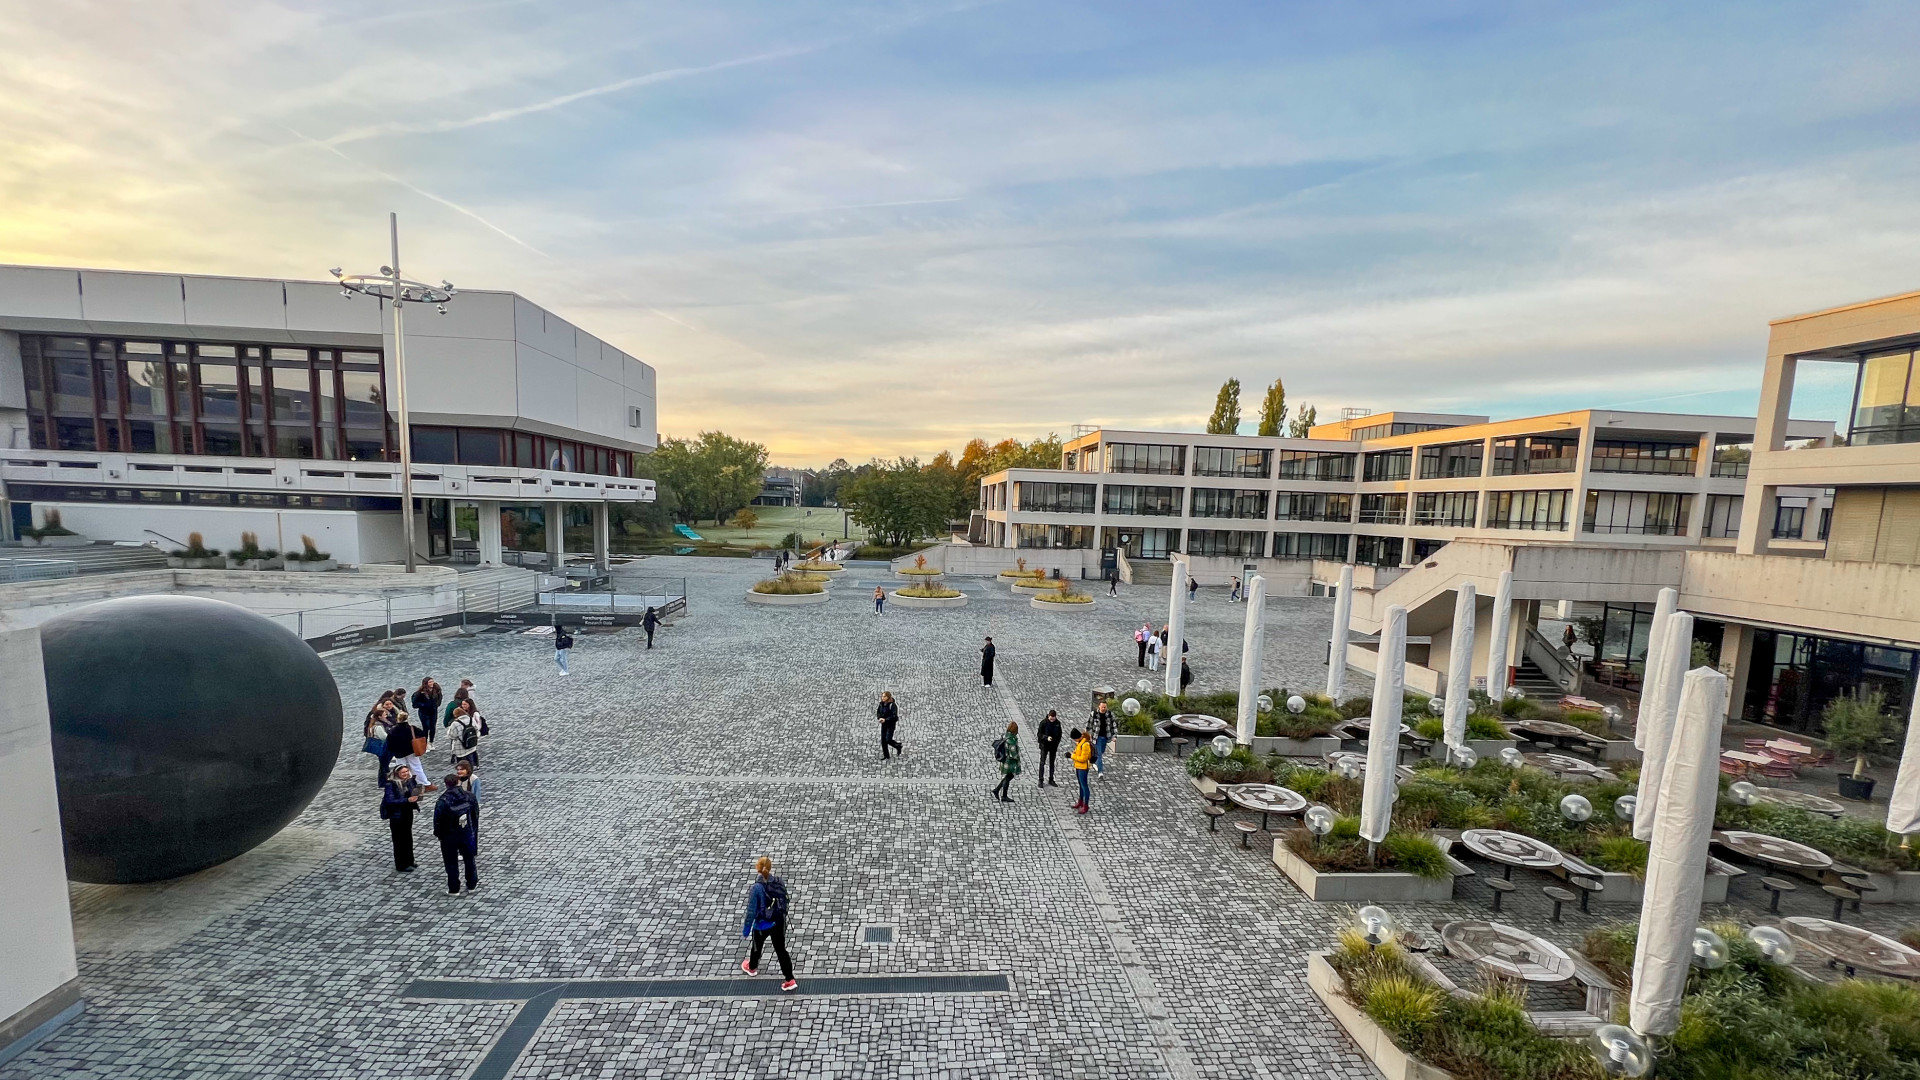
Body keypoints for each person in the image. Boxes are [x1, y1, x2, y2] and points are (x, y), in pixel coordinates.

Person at [740, 856, 797, 991]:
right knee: (781, 950)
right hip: (778, 921)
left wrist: (746, 930)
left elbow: (751, 910)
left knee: (756, 946)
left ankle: (752, 967)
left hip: (762, 924)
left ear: (757, 869)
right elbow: (786, 899)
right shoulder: (779, 881)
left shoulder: (756, 888)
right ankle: (790, 979)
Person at [432, 774, 479, 895]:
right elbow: (475, 815)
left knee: (451, 862)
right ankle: (472, 884)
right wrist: (472, 829)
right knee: (469, 859)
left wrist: (439, 835)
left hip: (449, 836)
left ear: (446, 784)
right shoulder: (469, 796)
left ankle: (454, 888)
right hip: (466, 832)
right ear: (458, 782)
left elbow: (437, 820)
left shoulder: (443, 800)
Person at [383, 700, 433, 792]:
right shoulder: (412, 728)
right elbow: (423, 735)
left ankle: (402, 785)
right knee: (417, 767)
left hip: (399, 753)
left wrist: (393, 751)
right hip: (412, 751)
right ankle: (424, 783)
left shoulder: (393, 730)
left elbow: (389, 743)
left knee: (400, 769)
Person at [380, 763, 422, 872]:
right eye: (403, 772)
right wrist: (407, 800)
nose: (405, 774)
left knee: (408, 838)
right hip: (396, 815)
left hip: (407, 813)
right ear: (397, 773)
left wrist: (416, 793)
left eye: (407, 772)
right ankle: (401, 864)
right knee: (399, 840)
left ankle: (410, 861)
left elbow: (414, 792)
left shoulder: (409, 781)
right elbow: (390, 801)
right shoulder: (391, 785)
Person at [447, 700, 483, 772]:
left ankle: (464, 772)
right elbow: (476, 729)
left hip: (460, 746)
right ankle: (471, 769)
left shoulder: (455, 723)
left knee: (461, 761)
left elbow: (451, 735)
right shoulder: (470, 719)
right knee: (470, 757)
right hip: (471, 744)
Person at [991, 721, 1021, 802]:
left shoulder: (1006, 736)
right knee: (1009, 777)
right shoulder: (1012, 740)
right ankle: (1003, 795)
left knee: (1008, 777)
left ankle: (997, 790)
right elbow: (1013, 753)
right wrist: (1017, 759)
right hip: (1010, 762)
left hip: (1005, 760)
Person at [1069, 728, 1094, 813]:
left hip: (1083, 767)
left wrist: (1071, 756)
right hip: (1078, 767)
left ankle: (1086, 805)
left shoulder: (1085, 744)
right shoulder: (1080, 742)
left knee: (1084, 786)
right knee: (1081, 785)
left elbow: (1083, 758)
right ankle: (1080, 802)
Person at [412, 678, 443, 746]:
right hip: (424, 712)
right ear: (426, 683)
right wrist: (424, 705)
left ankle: (431, 741)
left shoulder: (437, 690)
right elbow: (414, 704)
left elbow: (440, 697)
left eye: (432, 681)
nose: (432, 683)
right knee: (426, 727)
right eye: (430, 682)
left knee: (433, 727)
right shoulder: (420, 693)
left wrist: (437, 704)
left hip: (433, 711)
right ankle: (425, 743)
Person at [1036, 709, 1062, 788]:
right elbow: (1039, 734)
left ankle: (1051, 779)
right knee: (1042, 762)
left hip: (1053, 746)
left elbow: (1060, 735)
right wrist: (1046, 738)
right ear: (1048, 716)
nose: (1052, 720)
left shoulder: (1057, 723)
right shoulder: (1043, 723)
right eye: (1050, 719)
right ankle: (1041, 779)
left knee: (1052, 763)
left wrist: (1056, 743)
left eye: (1053, 719)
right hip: (1044, 746)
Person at [1089, 700, 1114, 777]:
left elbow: (1114, 725)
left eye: (1105, 707)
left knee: (1101, 751)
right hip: (1097, 737)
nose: (1103, 708)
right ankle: (1100, 772)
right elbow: (1089, 725)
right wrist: (1089, 735)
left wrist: (1114, 736)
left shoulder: (1109, 714)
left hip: (1106, 737)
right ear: (1099, 706)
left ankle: (1094, 760)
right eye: (1102, 707)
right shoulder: (1094, 714)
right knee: (1099, 754)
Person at [877, 691, 903, 759]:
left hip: (890, 724)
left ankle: (897, 746)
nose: (883, 698)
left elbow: (894, 716)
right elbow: (879, 712)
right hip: (884, 724)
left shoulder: (893, 705)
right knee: (883, 740)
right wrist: (880, 718)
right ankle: (886, 755)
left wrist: (886, 719)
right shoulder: (881, 704)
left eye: (884, 696)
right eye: (882, 696)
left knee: (888, 739)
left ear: (888, 697)